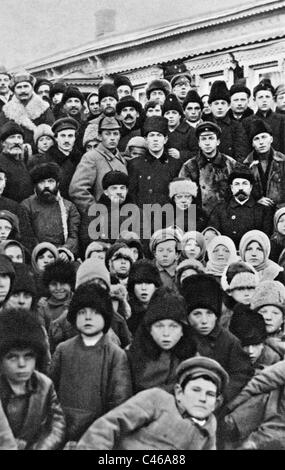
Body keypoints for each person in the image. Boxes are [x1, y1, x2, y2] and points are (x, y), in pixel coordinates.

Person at [76, 356, 229, 450]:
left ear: (216, 402)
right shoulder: (157, 399)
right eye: (195, 390)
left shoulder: (209, 426)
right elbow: (107, 426)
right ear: (179, 392)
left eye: (209, 394)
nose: (202, 398)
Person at [49, 283, 132, 443]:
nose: (88, 317)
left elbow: (119, 403)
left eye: (95, 312)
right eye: (82, 312)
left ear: (106, 316)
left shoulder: (115, 355)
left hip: (99, 435)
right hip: (62, 432)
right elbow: (51, 394)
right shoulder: (63, 350)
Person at [182, 273, 253, 402]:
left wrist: (223, 396)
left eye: (209, 313)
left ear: (217, 316)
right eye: (197, 314)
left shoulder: (229, 341)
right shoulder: (181, 339)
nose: (204, 320)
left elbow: (241, 374)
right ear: (187, 316)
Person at [0, 309, 66, 450]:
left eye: (28, 356)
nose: (22, 364)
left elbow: (57, 425)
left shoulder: (44, 385)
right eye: (12, 357)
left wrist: (39, 447)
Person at [127, 287, 196, 394]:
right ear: (149, 329)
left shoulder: (193, 360)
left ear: (183, 330)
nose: (166, 333)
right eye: (159, 326)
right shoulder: (131, 356)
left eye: (173, 326)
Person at [220, 360, 285, 449]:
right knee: (226, 428)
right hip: (259, 410)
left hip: (275, 433)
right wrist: (229, 407)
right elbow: (259, 383)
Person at [22, 162, 80, 259]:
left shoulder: (69, 207)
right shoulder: (26, 205)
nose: (46, 186)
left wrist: (64, 251)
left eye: (50, 181)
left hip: (61, 254)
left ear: (57, 183)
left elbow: (73, 236)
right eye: (41, 182)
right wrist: (43, 253)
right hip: (37, 255)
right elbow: (27, 236)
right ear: (35, 185)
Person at [69, 116, 127, 214]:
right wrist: (96, 211)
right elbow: (77, 190)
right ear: (100, 136)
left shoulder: (122, 160)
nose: (112, 137)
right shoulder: (91, 157)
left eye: (115, 134)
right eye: (107, 134)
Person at [179, 121, 237, 216]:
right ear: (199, 143)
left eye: (211, 138)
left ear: (218, 141)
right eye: (203, 139)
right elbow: (184, 197)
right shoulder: (189, 166)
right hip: (199, 217)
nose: (207, 143)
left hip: (226, 216)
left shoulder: (230, 163)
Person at [208, 166, 273, 247]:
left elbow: (266, 240)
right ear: (232, 188)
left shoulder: (263, 211)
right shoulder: (220, 210)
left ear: (251, 187)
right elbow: (213, 238)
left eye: (245, 184)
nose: (241, 188)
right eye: (237, 184)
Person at [128, 116, 181, 208]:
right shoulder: (134, 164)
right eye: (151, 135)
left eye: (159, 135)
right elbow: (131, 195)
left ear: (165, 139)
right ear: (146, 139)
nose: (155, 139)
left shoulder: (175, 165)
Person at [0, 70, 54, 147]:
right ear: (14, 91)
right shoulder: (6, 112)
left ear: (32, 89)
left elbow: (51, 135)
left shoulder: (44, 109)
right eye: (19, 87)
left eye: (26, 86)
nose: (23, 90)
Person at [243, 119, 285, 208]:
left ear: (271, 139)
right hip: (256, 212)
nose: (261, 142)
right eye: (256, 139)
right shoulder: (246, 165)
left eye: (264, 137)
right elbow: (242, 192)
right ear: (252, 144)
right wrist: (256, 200)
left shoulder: (282, 161)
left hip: (280, 212)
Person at [206, 80, 249, 162]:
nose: (219, 107)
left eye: (223, 103)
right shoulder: (205, 125)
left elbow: (241, 154)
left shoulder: (236, 127)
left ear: (229, 106)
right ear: (210, 106)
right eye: (216, 103)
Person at [229, 306, 282, 370]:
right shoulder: (222, 355)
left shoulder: (275, 363)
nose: (250, 351)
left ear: (263, 344)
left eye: (256, 344)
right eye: (244, 345)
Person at [243, 78, 285, 154]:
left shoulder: (282, 119)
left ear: (273, 99)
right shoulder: (247, 122)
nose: (264, 100)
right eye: (260, 97)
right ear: (254, 99)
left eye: (267, 97)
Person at [37, 259, 76, 335]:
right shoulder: (43, 307)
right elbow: (42, 336)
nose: (58, 288)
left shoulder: (78, 301)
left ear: (70, 283)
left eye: (63, 283)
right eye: (54, 284)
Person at [0, 122, 33, 202]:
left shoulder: (22, 162)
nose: (17, 141)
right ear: (3, 143)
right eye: (12, 137)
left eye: (19, 137)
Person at [127, 259, 162, 335]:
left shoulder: (164, 309)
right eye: (139, 283)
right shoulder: (126, 311)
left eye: (148, 283)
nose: (143, 288)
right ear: (132, 286)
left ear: (156, 286)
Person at [163, 93, 199, 162]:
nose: (171, 116)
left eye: (174, 113)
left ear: (179, 116)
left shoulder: (190, 131)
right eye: (167, 113)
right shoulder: (162, 131)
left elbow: (198, 153)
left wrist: (181, 155)